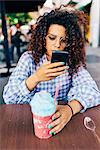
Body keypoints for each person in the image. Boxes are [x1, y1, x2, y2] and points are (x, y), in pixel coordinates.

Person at [3, 8, 100, 136]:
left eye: (63, 40)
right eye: (52, 38)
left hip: (64, 122)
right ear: (43, 38)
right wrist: (36, 77)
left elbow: (92, 91)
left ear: (70, 43)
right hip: (31, 123)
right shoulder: (29, 59)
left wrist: (70, 109)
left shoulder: (72, 61)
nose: (57, 45)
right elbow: (9, 97)